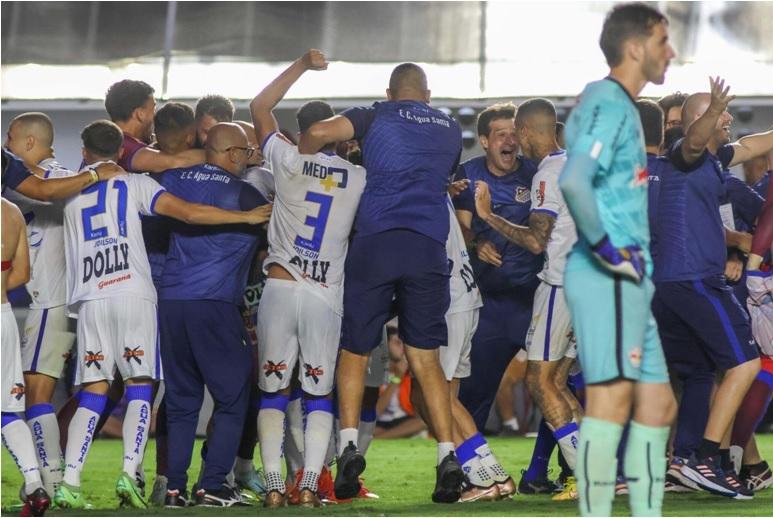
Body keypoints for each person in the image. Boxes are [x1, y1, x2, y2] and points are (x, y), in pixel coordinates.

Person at [54, 120, 271, 510]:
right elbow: (188, 214)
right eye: (246, 151)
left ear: (84, 151)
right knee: (219, 394)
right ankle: (202, 484)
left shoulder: (73, 195)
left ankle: (151, 485)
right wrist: (247, 218)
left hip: (116, 301)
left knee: (160, 398)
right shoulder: (236, 192)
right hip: (172, 300)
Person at [298, 62, 465, 503]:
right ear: (427, 94)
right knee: (425, 357)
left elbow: (316, 133)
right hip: (428, 245)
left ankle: (350, 444)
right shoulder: (449, 127)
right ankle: (447, 455)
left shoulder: (374, 114)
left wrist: (312, 151)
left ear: (390, 92)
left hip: (376, 242)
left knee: (355, 349)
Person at [558, 3, 677, 516]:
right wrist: (607, 249)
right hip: (609, 274)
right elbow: (573, 179)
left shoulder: (613, 103)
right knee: (609, 403)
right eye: (662, 40)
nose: (669, 52)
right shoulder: (608, 101)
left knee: (659, 405)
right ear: (636, 47)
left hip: (630, 280)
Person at [250, 49, 367, 508]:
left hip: (280, 288)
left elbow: (260, 107)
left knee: (273, 391)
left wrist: (300, 64)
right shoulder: (357, 177)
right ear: (339, 138)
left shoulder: (285, 158)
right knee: (319, 393)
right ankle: (309, 486)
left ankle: (276, 487)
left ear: (300, 133)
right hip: (324, 294)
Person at [654, 78, 773, 499]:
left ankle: (696, 458)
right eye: (718, 113)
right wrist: (708, 112)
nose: (727, 118)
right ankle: (701, 460)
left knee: (703, 374)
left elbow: (754, 144)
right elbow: (694, 139)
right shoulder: (682, 154)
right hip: (693, 279)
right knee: (745, 364)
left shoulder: (713, 159)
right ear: (695, 122)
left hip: (679, 283)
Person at [157, 122, 272, 508]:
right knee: (233, 394)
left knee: (181, 399)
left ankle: (173, 488)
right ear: (232, 154)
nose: (248, 157)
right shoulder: (245, 194)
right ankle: (213, 486)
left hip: (171, 303)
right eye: (245, 151)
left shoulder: (172, 180)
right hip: (215, 304)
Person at [474, 98, 582, 501]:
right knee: (558, 381)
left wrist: (489, 216)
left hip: (560, 285)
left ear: (528, 131)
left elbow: (537, 240)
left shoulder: (548, 174)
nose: (515, 138)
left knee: (539, 381)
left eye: (518, 130)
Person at [3, 112, 77, 497]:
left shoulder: (53, 179)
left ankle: (52, 480)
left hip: (52, 299)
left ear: (29, 143)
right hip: (51, 301)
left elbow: (47, 195)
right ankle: (52, 478)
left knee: (36, 395)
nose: (7, 147)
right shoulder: (46, 180)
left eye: (11, 138)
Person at [2, 197, 51, 516]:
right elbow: (22, 273)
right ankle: (34, 484)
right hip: (1, 315)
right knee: (7, 410)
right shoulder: (11, 212)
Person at [104, 79, 204, 173]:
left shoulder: (110, 139)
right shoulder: (125, 145)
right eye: (153, 108)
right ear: (140, 114)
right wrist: (215, 153)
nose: (155, 115)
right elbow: (176, 161)